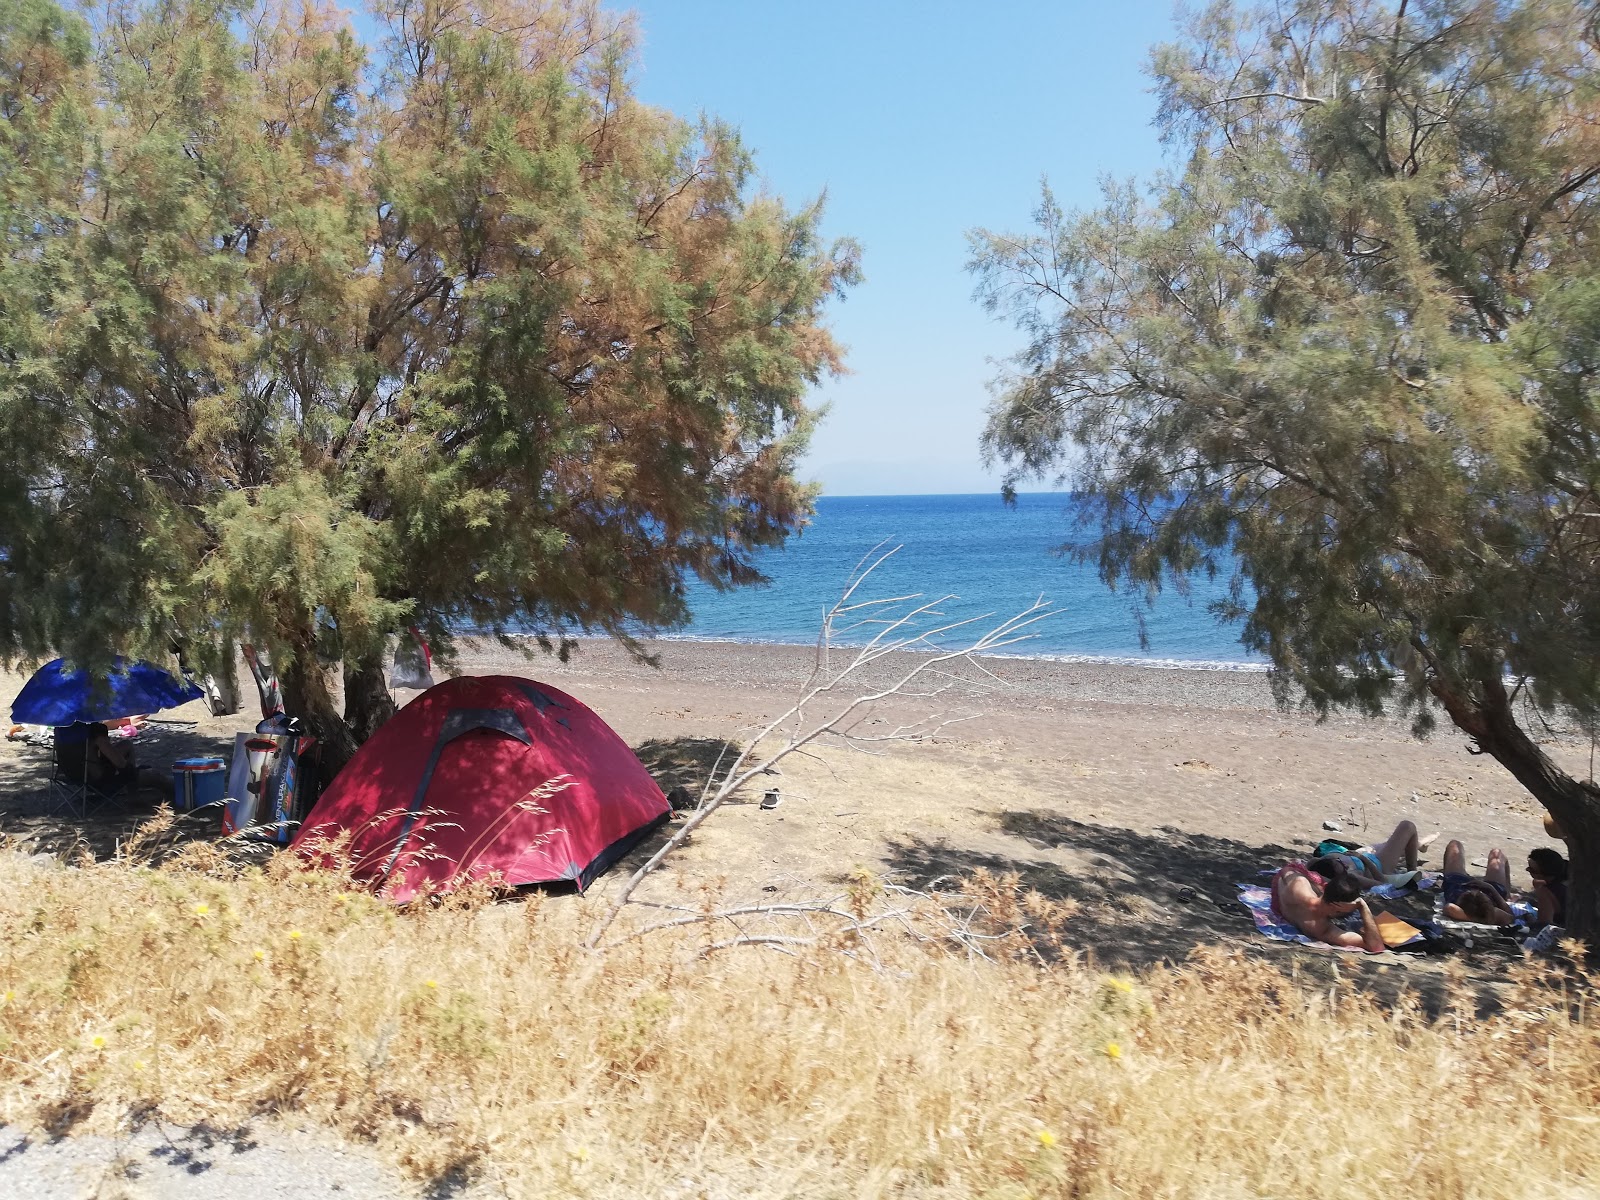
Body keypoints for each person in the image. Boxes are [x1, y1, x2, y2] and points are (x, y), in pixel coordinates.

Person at [1271, 857, 1385, 952]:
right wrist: (1362, 906)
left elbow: (1286, 869)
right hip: (1297, 899)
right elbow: (1376, 947)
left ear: (1326, 887)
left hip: (1281, 899)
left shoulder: (1300, 884)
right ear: (1344, 908)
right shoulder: (1322, 929)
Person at [1440, 841, 1516, 926]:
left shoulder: (1456, 910)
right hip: (1492, 891)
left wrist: (1470, 917)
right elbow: (1511, 917)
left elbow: (1449, 907)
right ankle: (1508, 894)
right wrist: (1491, 889)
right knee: (1497, 853)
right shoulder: (1494, 913)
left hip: (1457, 885)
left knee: (1454, 845)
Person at [1527, 847, 1568, 930]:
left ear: (1543, 874)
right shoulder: (1570, 883)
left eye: (1531, 870)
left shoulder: (1545, 892)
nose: (1527, 870)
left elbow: (1544, 924)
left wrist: (1529, 918)